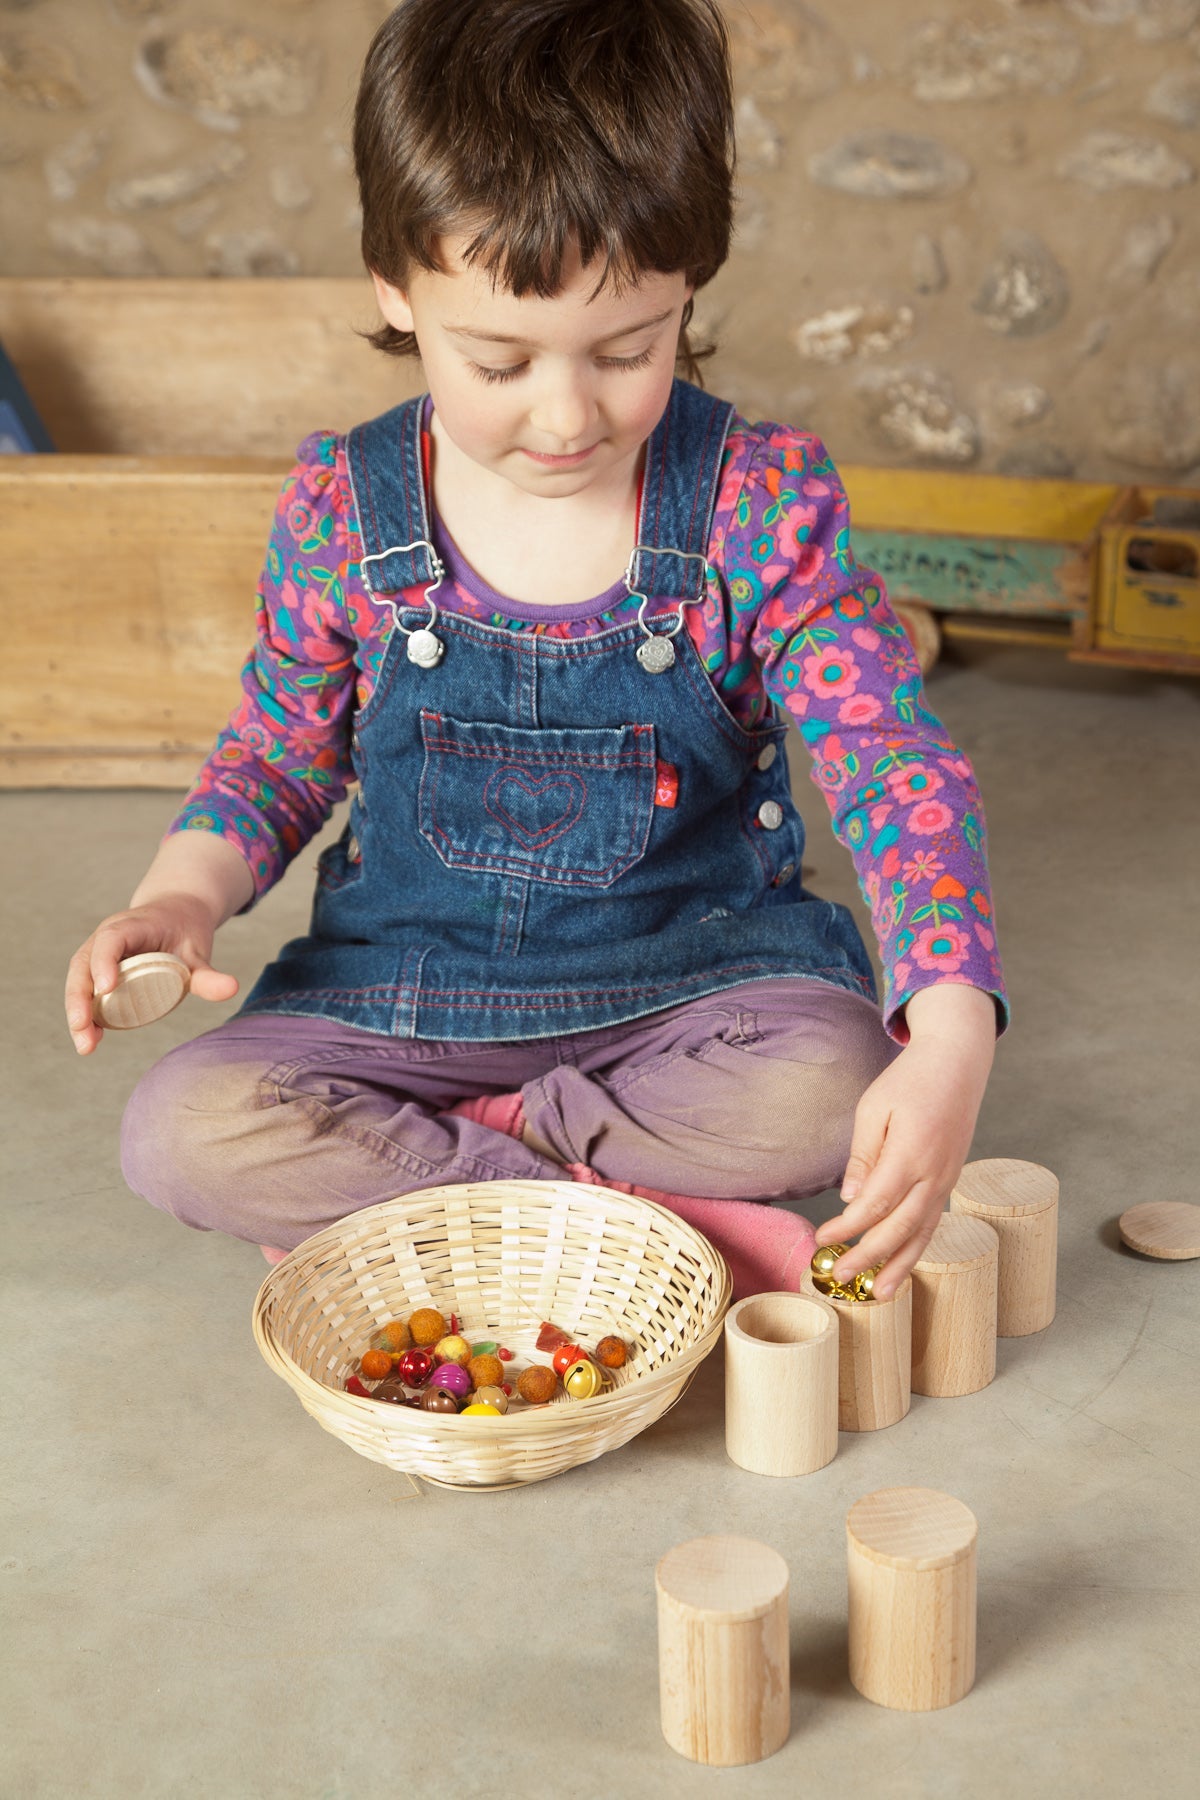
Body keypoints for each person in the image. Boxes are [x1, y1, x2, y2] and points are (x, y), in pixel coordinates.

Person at [64, 0, 1006, 1303]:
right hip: (403, 995)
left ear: (693, 281)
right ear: (396, 283)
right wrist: (178, 898)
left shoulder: (758, 499)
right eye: (498, 359)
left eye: (629, 349)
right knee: (181, 1131)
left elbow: (892, 762)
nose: (567, 416)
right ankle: (653, 1220)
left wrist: (951, 1027)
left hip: (692, 979)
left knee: (834, 1083)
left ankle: (456, 1188)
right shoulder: (346, 505)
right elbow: (277, 750)